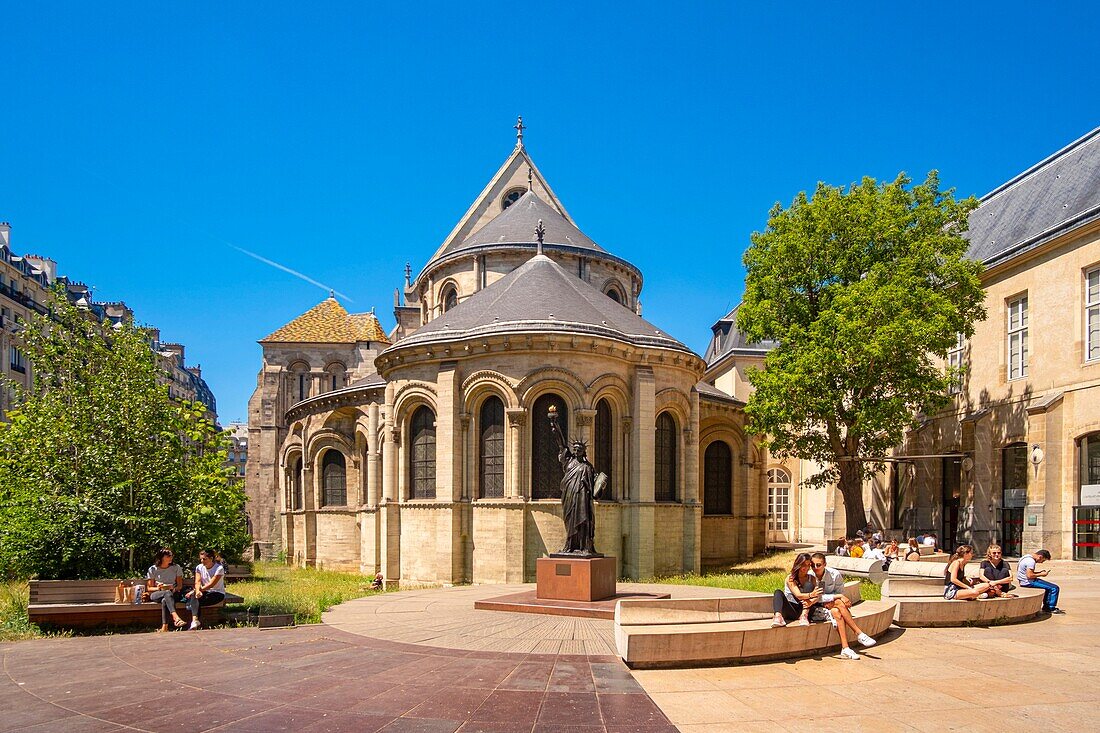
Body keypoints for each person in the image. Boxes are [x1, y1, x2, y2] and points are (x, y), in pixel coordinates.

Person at [810, 553, 877, 660]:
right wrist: (835, 597)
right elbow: (815, 598)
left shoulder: (834, 574)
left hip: (832, 605)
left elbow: (839, 593)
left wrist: (834, 598)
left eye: (818, 565)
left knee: (837, 611)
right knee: (839, 603)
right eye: (813, 565)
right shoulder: (810, 576)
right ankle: (858, 633)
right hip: (815, 606)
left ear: (825, 564)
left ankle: (845, 648)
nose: (815, 568)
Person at [772, 553, 821, 627]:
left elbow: (817, 595)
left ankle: (804, 616)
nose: (806, 568)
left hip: (805, 609)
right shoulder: (791, 578)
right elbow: (798, 595)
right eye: (804, 565)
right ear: (799, 564)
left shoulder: (812, 578)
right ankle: (778, 617)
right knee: (778, 592)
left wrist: (811, 602)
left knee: (809, 585)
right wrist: (811, 595)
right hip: (791, 609)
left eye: (808, 565)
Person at [185, 549, 226, 630]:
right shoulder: (199, 567)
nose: (202, 561)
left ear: (211, 558)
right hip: (204, 591)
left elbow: (211, 584)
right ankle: (195, 621)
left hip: (217, 593)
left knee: (194, 602)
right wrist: (197, 591)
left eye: (204, 559)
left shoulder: (219, 568)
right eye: (201, 559)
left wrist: (196, 591)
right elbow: (198, 581)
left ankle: (195, 622)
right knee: (195, 597)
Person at [146, 549, 185, 631]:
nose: (171, 558)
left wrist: (173, 588)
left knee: (165, 600)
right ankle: (176, 617)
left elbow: (180, 586)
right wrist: (159, 588)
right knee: (166, 593)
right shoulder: (153, 569)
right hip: (157, 593)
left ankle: (164, 627)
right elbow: (149, 588)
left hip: (172, 593)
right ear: (161, 558)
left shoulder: (176, 568)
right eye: (168, 556)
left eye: (172, 556)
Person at [1017, 549, 1062, 614]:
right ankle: (1050, 608)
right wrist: (1041, 574)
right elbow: (1029, 575)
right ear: (1040, 556)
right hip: (1028, 582)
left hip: (1023, 580)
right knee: (1054, 588)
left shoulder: (1026, 557)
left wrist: (1039, 572)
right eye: (1043, 560)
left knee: (1048, 587)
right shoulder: (1031, 561)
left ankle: (1047, 606)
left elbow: (1028, 572)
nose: (1042, 562)